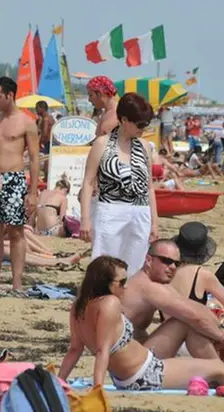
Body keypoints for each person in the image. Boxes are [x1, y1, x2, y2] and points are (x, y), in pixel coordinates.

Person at [58, 255, 224, 396]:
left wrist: (61, 381)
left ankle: (222, 373)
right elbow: (103, 351)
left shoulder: (79, 306)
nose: (126, 287)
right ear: (104, 284)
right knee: (217, 369)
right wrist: (98, 389)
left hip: (138, 366)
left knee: (184, 324)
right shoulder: (109, 303)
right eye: (122, 282)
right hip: (143, 374)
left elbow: (74, 351)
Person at [79, 92, 158, 276]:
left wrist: (155, 222)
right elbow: (88, 182)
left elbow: (149, 187)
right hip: (109, 209)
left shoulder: (145, 146)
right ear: (124, 119)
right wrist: (85, 219)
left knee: (136, 266)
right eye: (139, 124)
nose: (143, 129)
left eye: (146, 124)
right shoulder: (102, 144)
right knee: (105, 265)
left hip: (140, 212)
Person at [122, 238, 224, 360]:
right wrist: (222, 338)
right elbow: (194, 317)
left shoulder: (158, 284)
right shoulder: (147, 286)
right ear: (148, 260)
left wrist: (221, 329)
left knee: (190, 322)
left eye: (177, 263)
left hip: (135, 353)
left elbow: (195, 308)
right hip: (128, 362)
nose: (173, 267)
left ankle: (219, 370)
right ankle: (220, 371)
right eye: (166, 261)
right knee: (183, 323)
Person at [0, 76, 39, 292]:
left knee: (16, 232)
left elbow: (34, 158)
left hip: (14, 178)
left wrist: (33, 193)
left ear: (10, 95)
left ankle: (16, 283)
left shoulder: (27, 123)